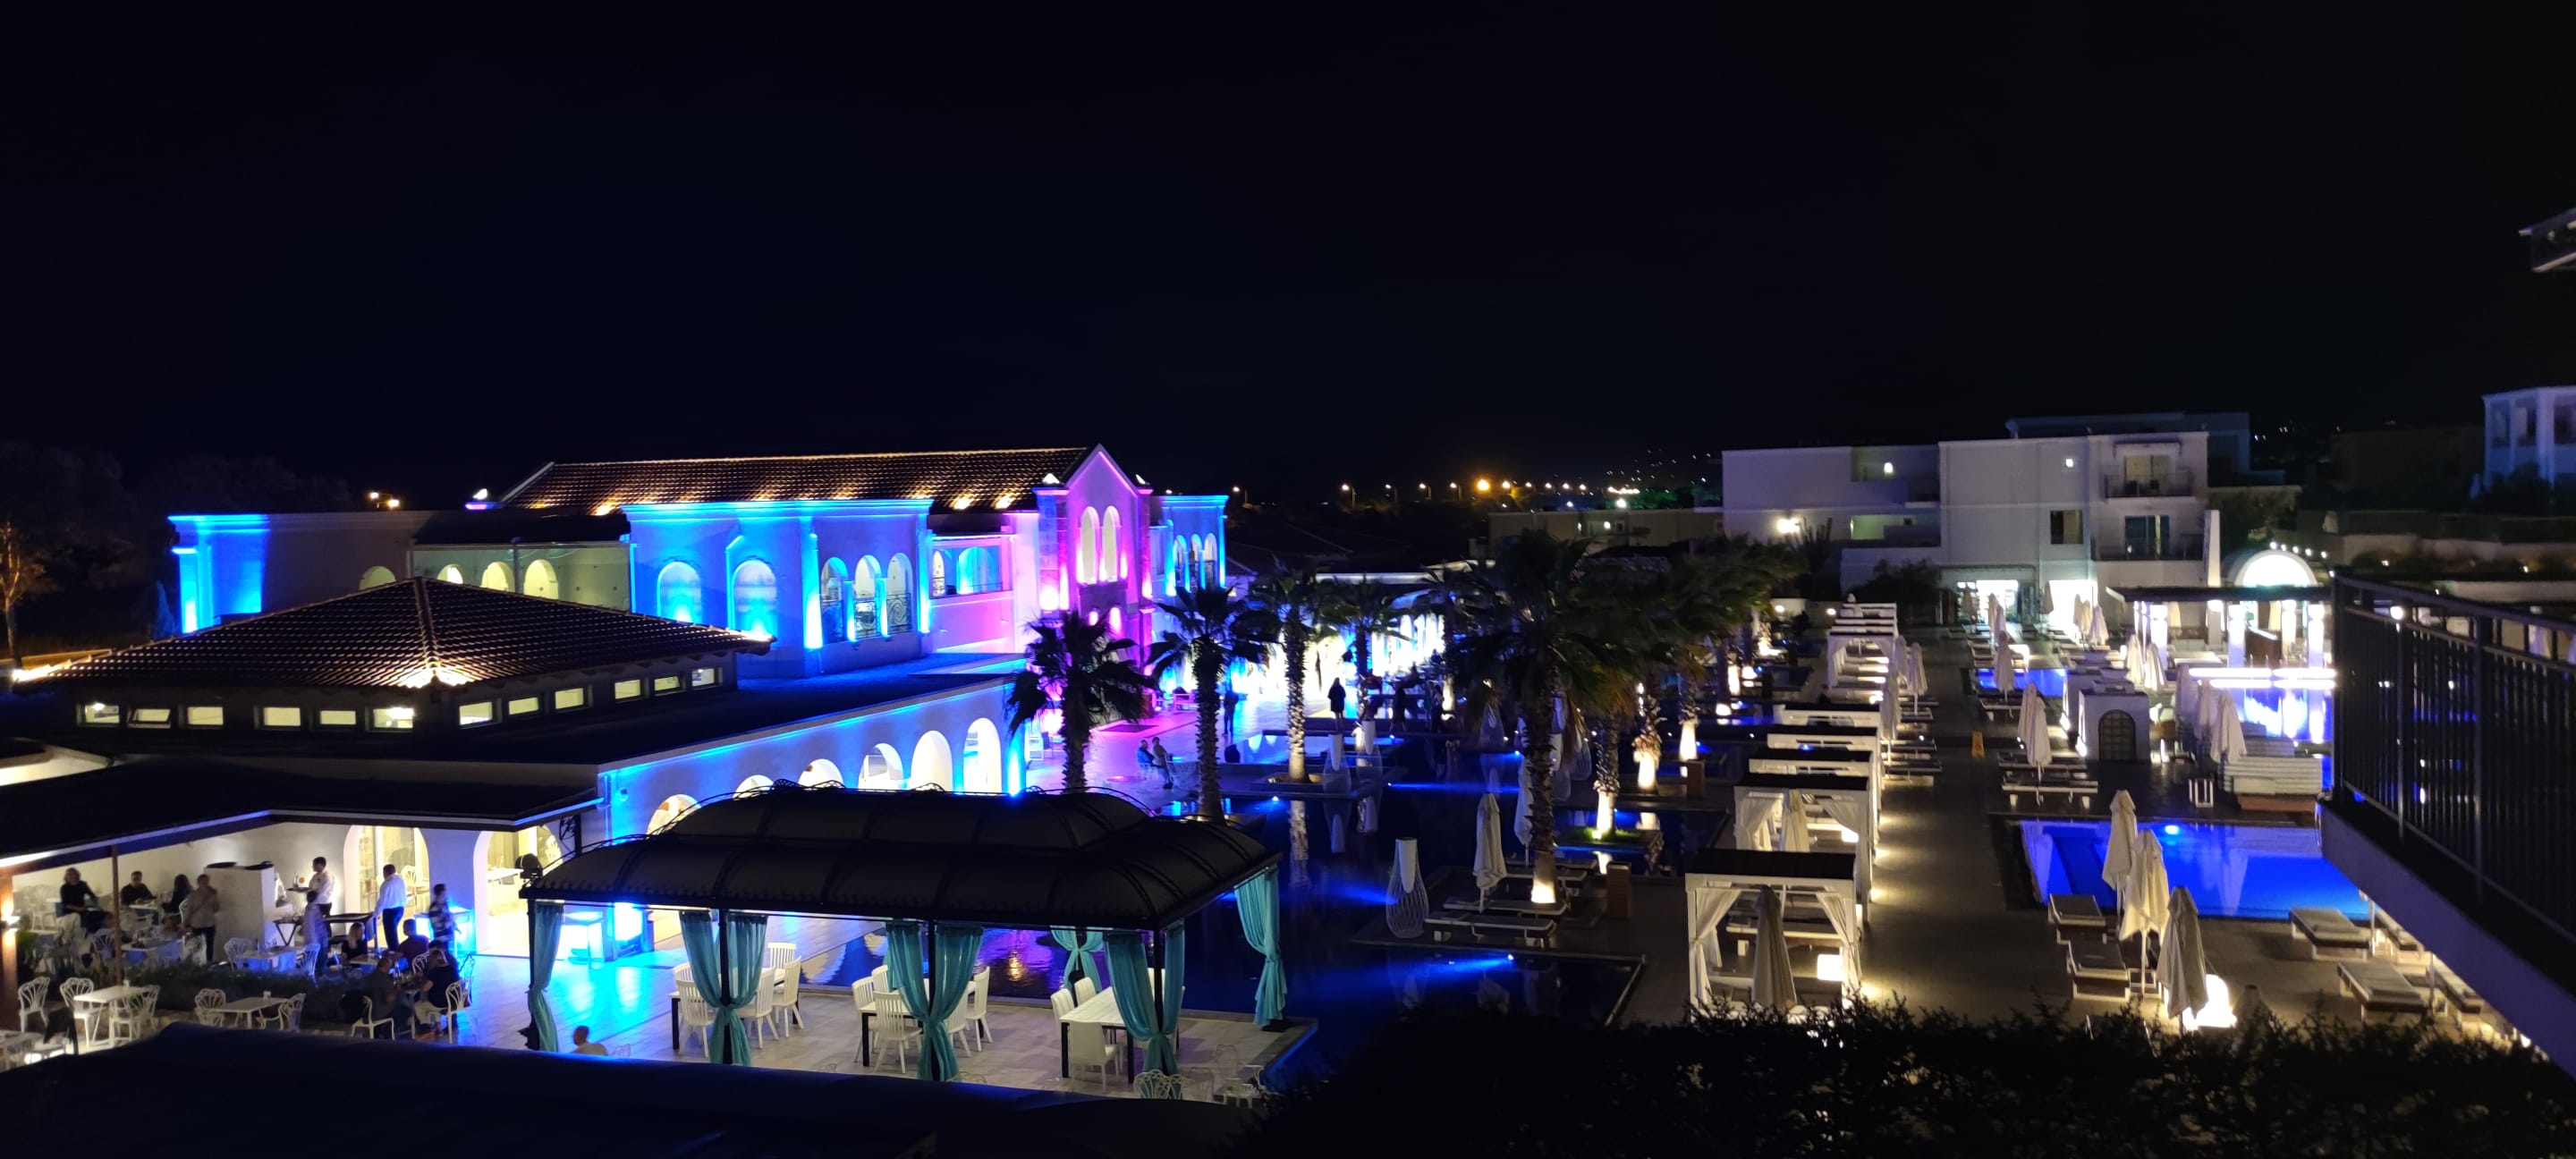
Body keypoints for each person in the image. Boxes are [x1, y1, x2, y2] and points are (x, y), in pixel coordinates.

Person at [297, 857, 335, 975]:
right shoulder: (315, 876)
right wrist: (306, 890)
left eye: (314, 864)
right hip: (314, 902)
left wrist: (312, 896)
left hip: (323, 904)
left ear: (320, 865)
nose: (312, 867)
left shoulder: (327, 876)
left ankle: (325, 950)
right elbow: (312, 888)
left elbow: (322, 891)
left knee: (322, 926)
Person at [180, 873, 221, 962]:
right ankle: (208, 963)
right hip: (209, 922)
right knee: (209, 945)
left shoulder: (193, 895)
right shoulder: (212, 894)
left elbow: (189, 911)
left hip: (197, 923)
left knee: (196, 944)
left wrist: (184, 923)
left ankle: (196, 962)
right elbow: (217, 908)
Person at [377, 863, 408, 949]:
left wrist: (376, 913)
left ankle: (394, 953)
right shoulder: (400, 881)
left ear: (385, 872)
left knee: (391, 937)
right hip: (400, 909)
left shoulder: (386, 884)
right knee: (393, 933)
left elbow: (382, 901)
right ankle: (396, 951)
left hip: (390, 912)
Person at [423, 883, 456, 948]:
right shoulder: (434, 908)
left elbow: (448, 917)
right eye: (444, 894)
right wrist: (449, 922)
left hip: (447, 937)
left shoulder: (444, 905)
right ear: (440, 894)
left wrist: (453, 924)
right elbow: (437, 926)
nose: (446, 896)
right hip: (441, 939)